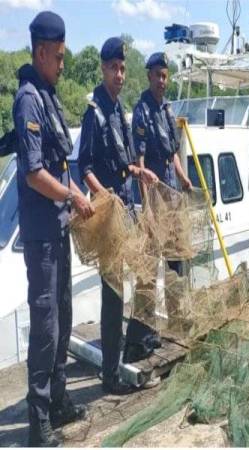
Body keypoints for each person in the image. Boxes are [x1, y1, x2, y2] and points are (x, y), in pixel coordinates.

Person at [14, 11, 94, 447]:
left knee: (62, 318)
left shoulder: (49, 96)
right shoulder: (28, 99)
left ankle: (59, 401)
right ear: (42, 52)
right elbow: (32, 174)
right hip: (42, 234)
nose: (63, 64)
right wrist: (71, 196)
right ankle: (38, 421)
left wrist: (75, 192)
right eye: (59, 57)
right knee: (45, 327)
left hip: (59, 229)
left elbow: (61, 161)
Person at [78, 36, 158, 395]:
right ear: (103, 68)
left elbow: (124, 161)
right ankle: (110, 376)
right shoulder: (94, 111)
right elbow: (85, 168)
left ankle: (129, 347)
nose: (120, 74)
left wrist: (139, 172)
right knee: (112, 294)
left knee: (133, 280)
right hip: (109, 214)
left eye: (124, 68)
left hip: (126, 208)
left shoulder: (117, 109)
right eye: (114, 68)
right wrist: (102, 197)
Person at [130, 52, 192, 345]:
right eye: (157, 75)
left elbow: (171, 154)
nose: (162, 81)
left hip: (171, 196)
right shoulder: (142, 110)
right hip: (153, 198)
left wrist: (182, 177)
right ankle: (146, 329)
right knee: (150, 265)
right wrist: (148, 209)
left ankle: (177, 319)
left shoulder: (168, 109)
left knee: (175, 259)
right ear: (148, 76)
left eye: (165, 76)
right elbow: (140, 160)